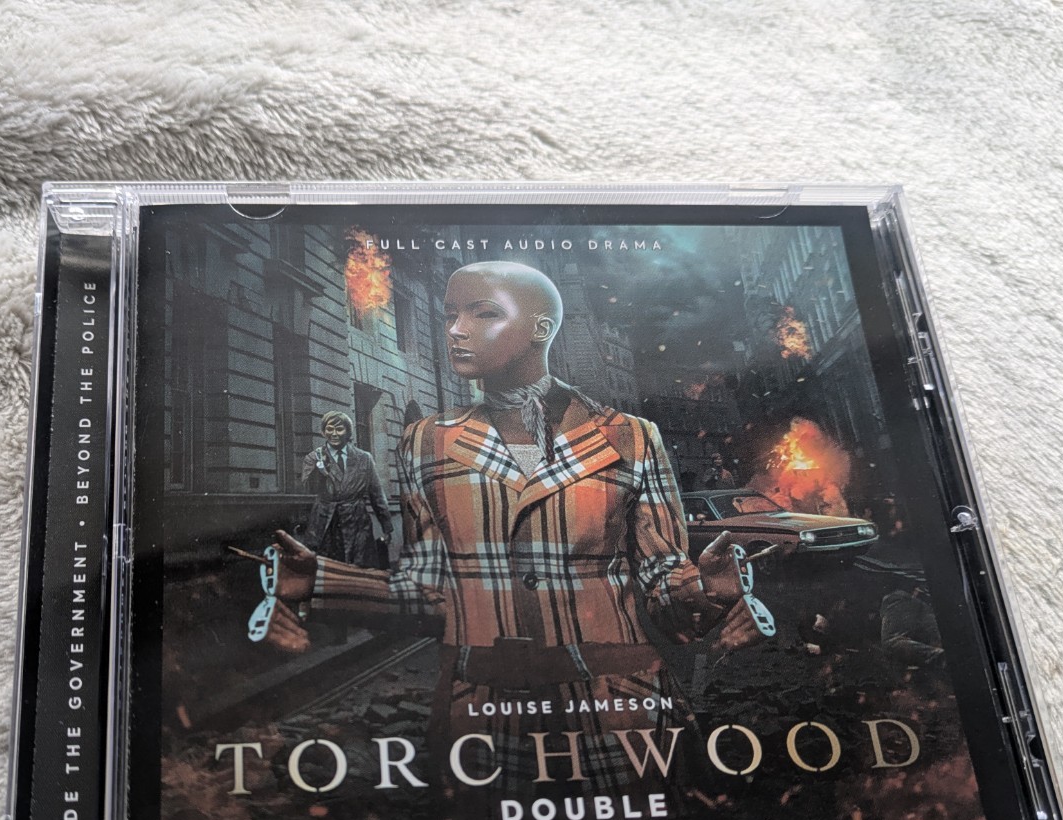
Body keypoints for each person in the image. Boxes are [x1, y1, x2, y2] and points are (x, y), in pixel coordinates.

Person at [267, 261, 766, 788]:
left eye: (483, 314)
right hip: (482, 721)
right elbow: (430, 594)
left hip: (619, 710)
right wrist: (318, 582)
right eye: (451, 315)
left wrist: (706, 592)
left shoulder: (631, 437)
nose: (455, 330)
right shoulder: (425, 442)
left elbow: (664, 582)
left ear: (539, 329)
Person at [299, 410, 393, 568]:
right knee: (327, 570)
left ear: (348, 432)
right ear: (323, 432)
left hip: (357, 522)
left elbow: (377, 495)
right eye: (329, 429)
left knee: (359, 568)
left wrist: (387, 526)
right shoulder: (313, 458)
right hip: (325, 522)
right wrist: (319, 471)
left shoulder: (364, 458)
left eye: (339, 429)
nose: (334, 434)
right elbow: (307, 489)